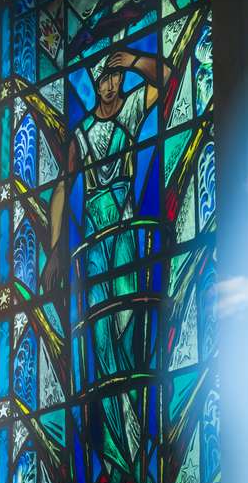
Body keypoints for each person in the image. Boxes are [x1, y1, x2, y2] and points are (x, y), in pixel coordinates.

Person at [43, 47, 170, 390]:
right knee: (100, 333)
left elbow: (167, 77)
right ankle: (116, 431)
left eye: (115, 76)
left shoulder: (131, 110)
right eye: (104, 79)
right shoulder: (81, 133)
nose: (111, 85)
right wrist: (55, 248)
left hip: (125, 233)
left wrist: (132, 61)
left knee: (127, 320)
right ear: (95, 86)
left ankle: (132, 428)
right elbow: (61, 188)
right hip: (96, 242)